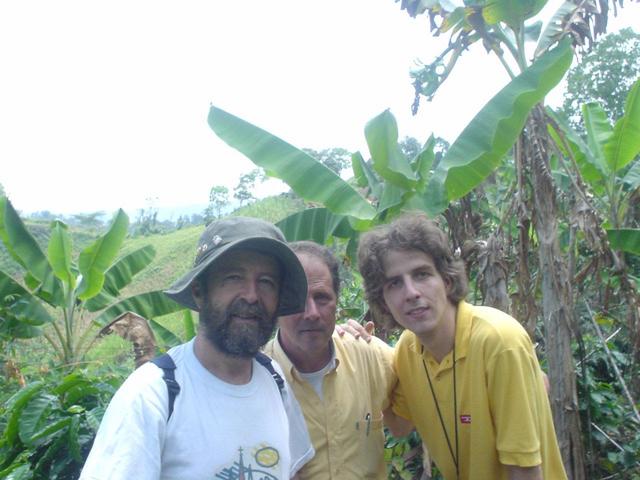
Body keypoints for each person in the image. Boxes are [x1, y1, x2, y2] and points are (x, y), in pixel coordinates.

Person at [80, 217, 314, 480]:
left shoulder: (274, 378)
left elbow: (294, 470)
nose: (251, 295)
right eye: (234, 277)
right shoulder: (152, 396)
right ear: (199, 291)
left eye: (267, 282)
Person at [357, 212, 567, 480]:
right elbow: (399, 426)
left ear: (446, 281)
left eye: (421, 274)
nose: (411, 293)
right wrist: (360, 353)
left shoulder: (499, 341)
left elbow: (524, 470)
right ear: (383, 301)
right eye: (394, 283)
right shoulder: (407, 351)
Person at [263, 241, 402, 479]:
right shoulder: (256, 378)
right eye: (297, 299)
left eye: (322, 298)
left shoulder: (369, 356)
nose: (312, 313)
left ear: (337, 302)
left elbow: (410, 417)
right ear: (277, 304)